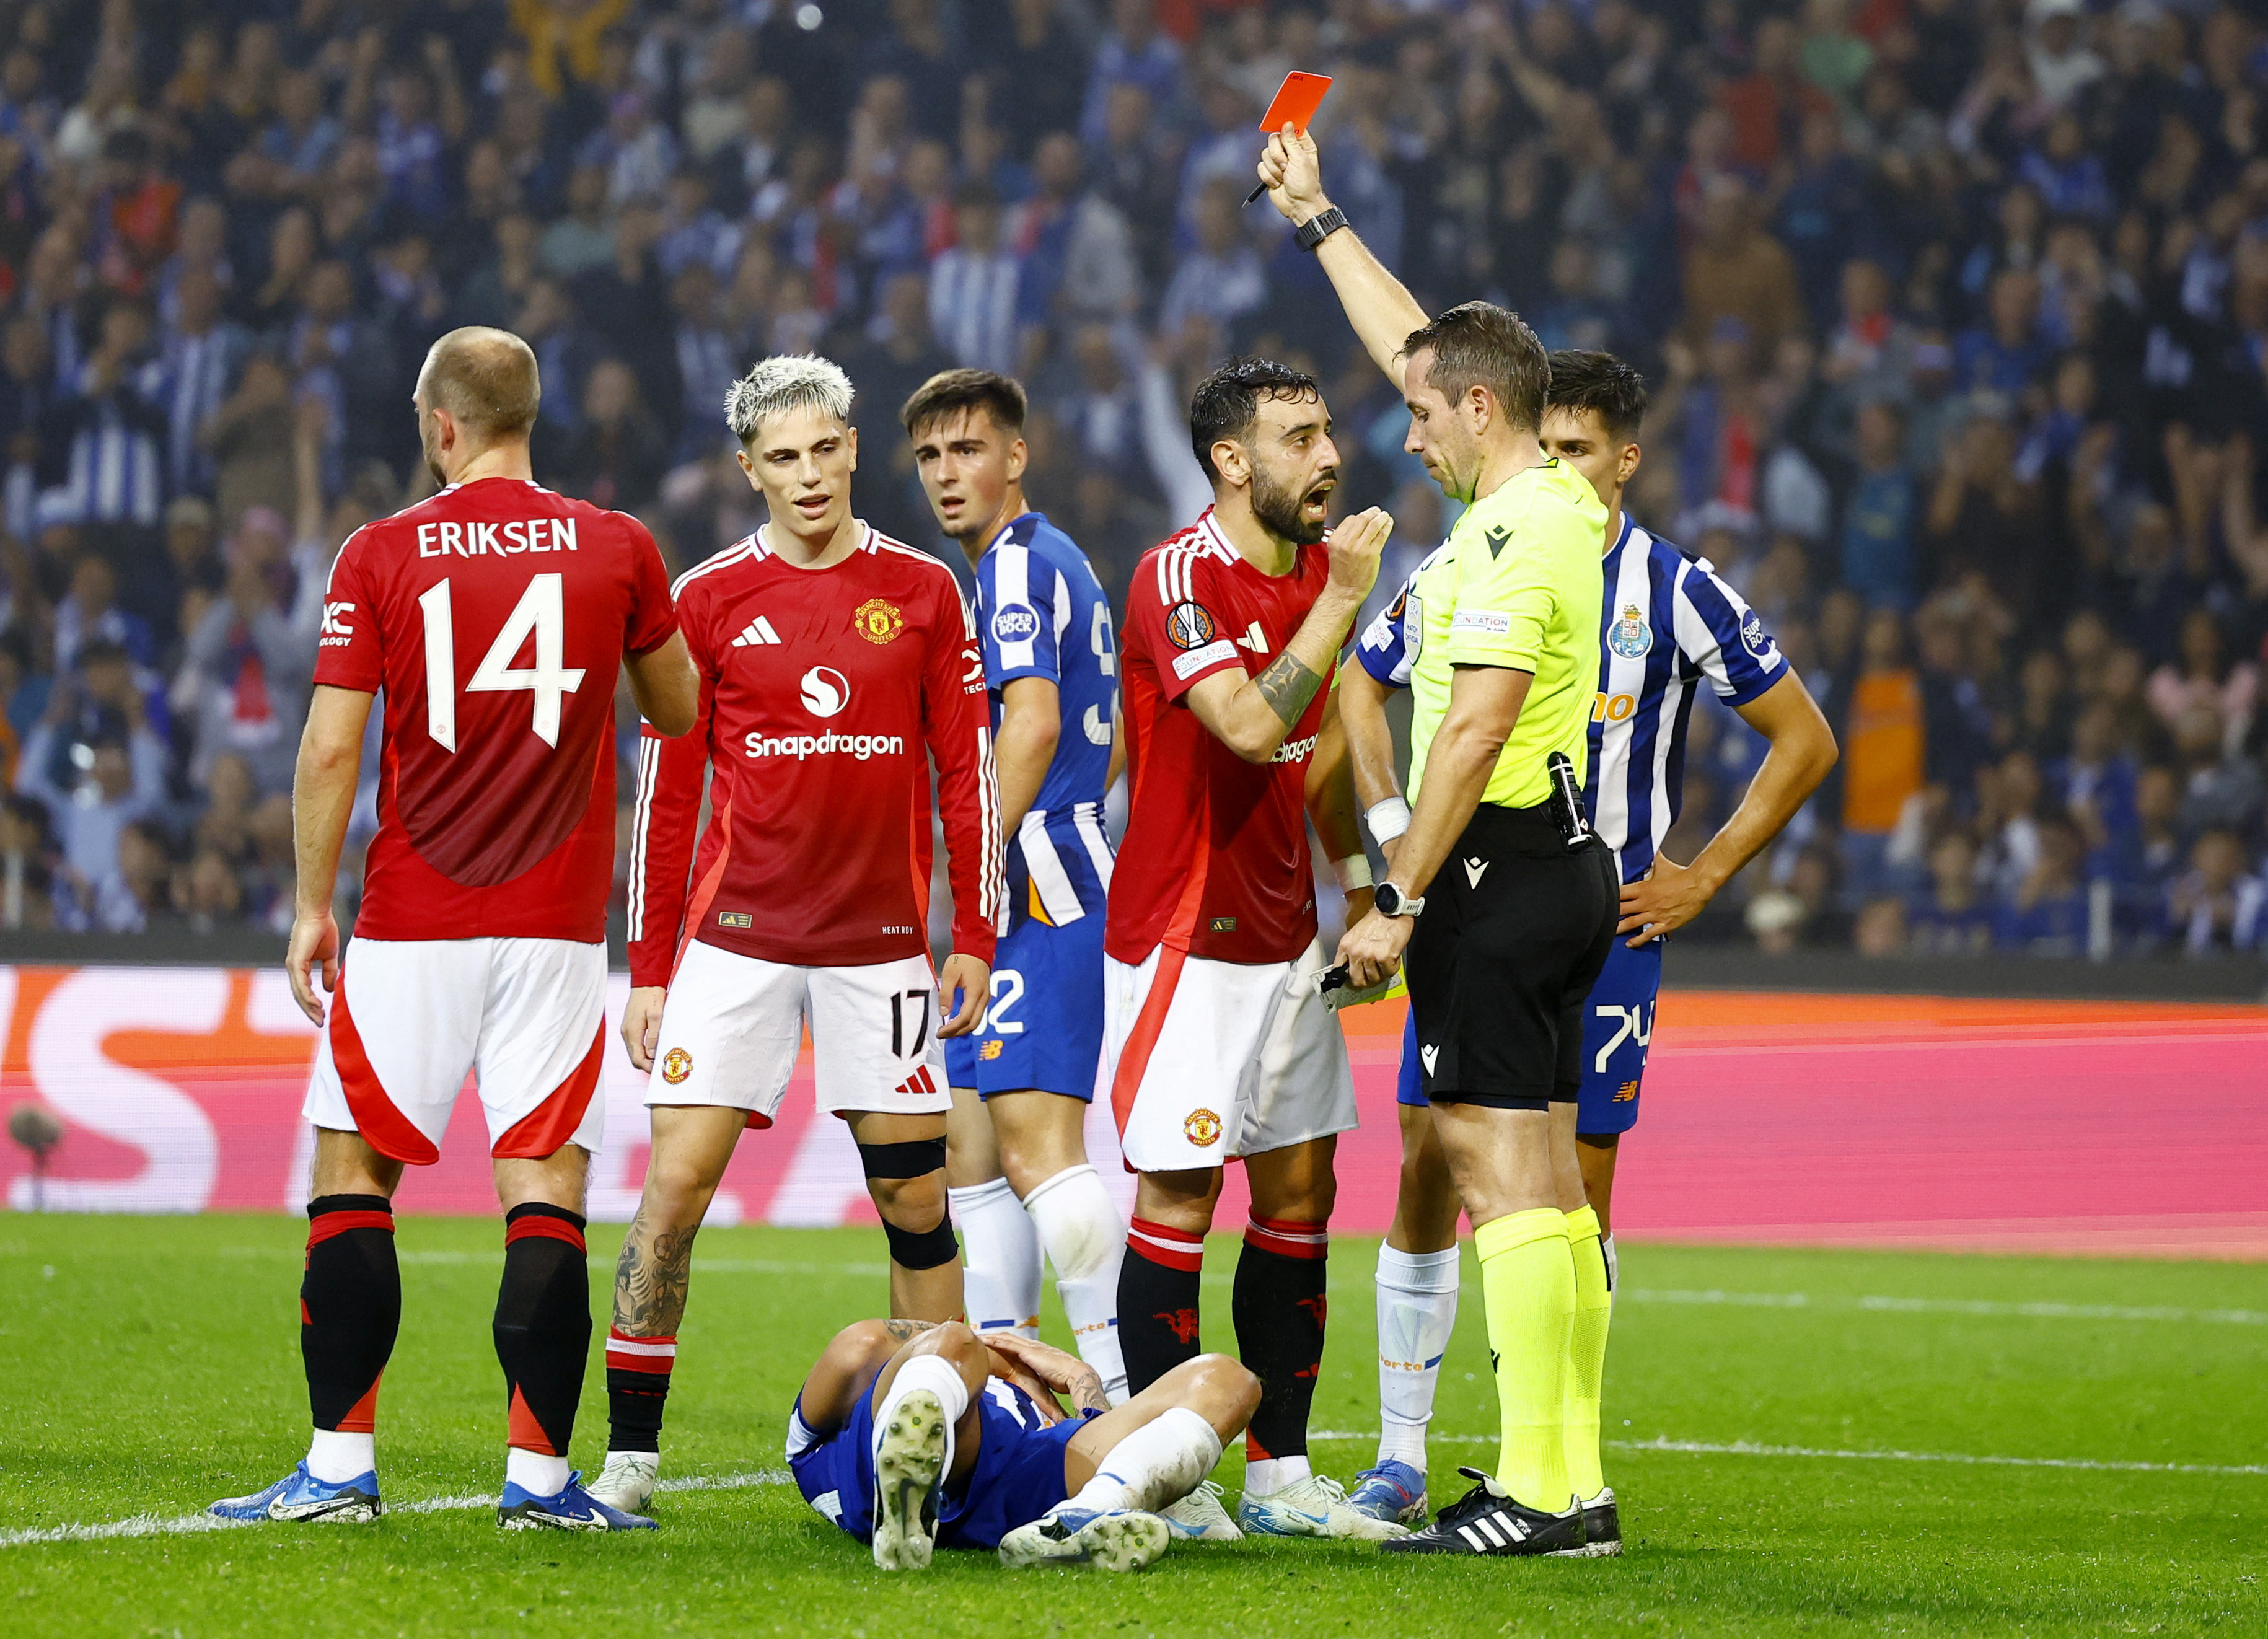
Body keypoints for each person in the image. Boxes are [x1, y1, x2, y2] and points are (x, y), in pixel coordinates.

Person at [1334, 350, 1838, 1544]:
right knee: (1470, 1168)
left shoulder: (1659, 583)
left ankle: (1548, 1479)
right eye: (1545, 444)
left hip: (1548, 894)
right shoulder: (1495, 535)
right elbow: (1374, 682)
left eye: (1578, 450)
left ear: (1624, 460)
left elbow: (1800, 737)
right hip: (1532, 881)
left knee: (1545, 1187)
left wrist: (1701, 875)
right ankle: (1502, 1473)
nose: (1558, 468)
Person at [209, 326, 700, 1532]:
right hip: (550, 927)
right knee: (543, 1187)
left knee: (353, 1175)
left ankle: (337, 1467)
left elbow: (332, 744)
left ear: (440, 425)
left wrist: (313, 903)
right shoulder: (618, 548)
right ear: (531, 416)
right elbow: (680, 707)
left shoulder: (380, 552)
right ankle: (537, 1479)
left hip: (415, 914)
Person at [1260, 125, 1617, 1558]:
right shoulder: (1529, 498)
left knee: (1489, 1167)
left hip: (1494, 869)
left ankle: (1542, 1487)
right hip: (1550, 861)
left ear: (1476, 408)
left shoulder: (1514, 535)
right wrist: (1316, 219)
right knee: (1532, 1172)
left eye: (1420, 414)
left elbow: (1467, 730)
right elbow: (1416, 338)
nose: (1398, 434)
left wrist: (1397, 890)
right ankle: (1560, 1475)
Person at [595, 355, 1003, 1515]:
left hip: (881, 950)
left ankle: (943, 1456)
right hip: (736, 944)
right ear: (749, 470)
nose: (809, 475)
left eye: (826, 449)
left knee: (917, 1207)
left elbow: (963, 772)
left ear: (854, 448)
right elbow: (666, 799)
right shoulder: (708, 600)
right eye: (783, 457)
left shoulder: (924, 590)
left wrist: (972, 930)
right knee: (672, 1194)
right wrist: (651, 969)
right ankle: (629, 1461)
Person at [1104, 354, 1394, 1542]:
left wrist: (1368, 888)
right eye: (1296, 437)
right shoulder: (1179, 575)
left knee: (1302, 1195)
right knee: (1180, 1194)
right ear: (1232, 462)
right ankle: (1168, 1475)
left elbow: (1320, 748)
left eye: (1327, 431)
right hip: (1182, 940)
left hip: (1284, 938)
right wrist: (1341, 604)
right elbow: (1245, 724)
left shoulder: (1325, 570)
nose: (1328, 456)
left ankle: (1278, 1477)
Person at [902, 368, 1130, 1400]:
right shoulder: (1057, 560)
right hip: (1056, 869)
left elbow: (1032, 723)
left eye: (968, 451)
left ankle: (1121, 1404)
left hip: (1039, 889)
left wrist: (977, 864)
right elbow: (1112, 731)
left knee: (1042, 1153)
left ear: (1015, 457)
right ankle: (1022, 1395)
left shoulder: (1009, 574)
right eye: (931, 457)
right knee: (976, 1153)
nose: (949, 475)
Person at [788, 1316, 1257, 1572]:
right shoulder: (828, 1438)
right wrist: (1002, 1362)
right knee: (947, 1340)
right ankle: (909, 1492)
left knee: (1230, 1380)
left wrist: (1081, 1378)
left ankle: (1076, 1520)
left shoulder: (1007, 1385)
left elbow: (1121, 1443)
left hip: (1029, 1469)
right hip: (939, 1452)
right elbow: (864, 1343)